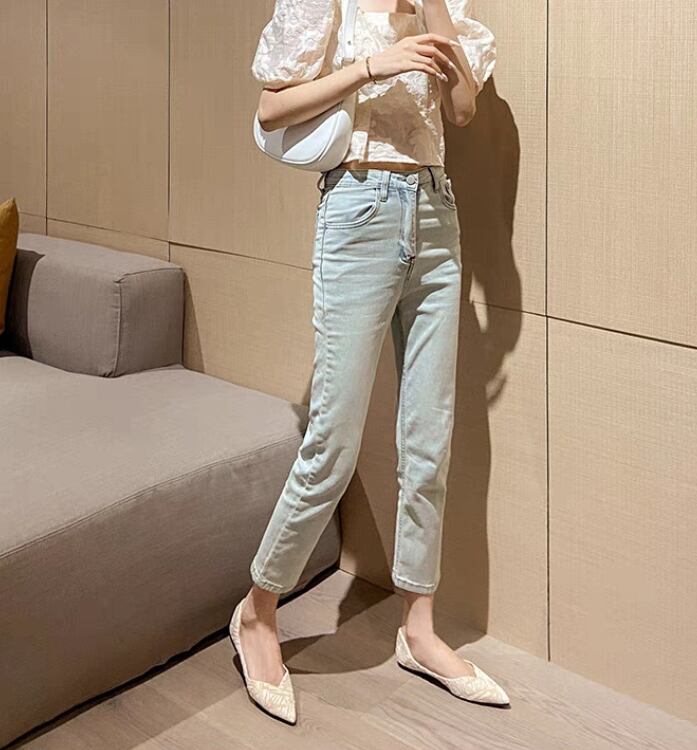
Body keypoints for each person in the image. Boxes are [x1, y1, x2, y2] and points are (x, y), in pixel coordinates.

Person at [228, 0, 509, 725]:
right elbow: (271, 109)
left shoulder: (442, 8)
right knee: (333, 439)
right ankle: (257, 610)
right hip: (358, 210)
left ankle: (419, 627)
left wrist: (434, 12)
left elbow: (463, 110)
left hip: (437, 217)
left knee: (429, 440)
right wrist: (371, 66)